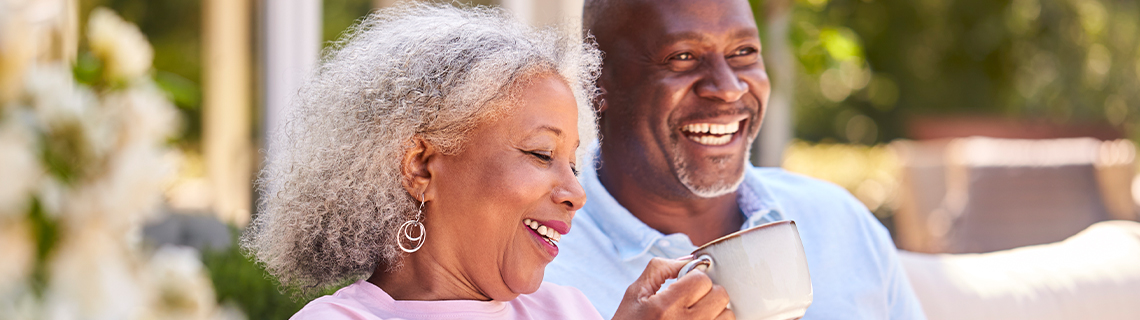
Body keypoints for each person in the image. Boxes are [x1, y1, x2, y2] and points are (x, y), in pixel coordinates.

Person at [242, 4, 734, 320]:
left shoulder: (566, 310)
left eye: (574, 164)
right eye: (542, 154)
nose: (576, 193)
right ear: (420, 167)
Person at [543, 0, 928, 319]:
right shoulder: (537, 264)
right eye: (683, 57)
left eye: (743, 53)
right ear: (596, 83)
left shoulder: (838, 224)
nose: (728, 88)